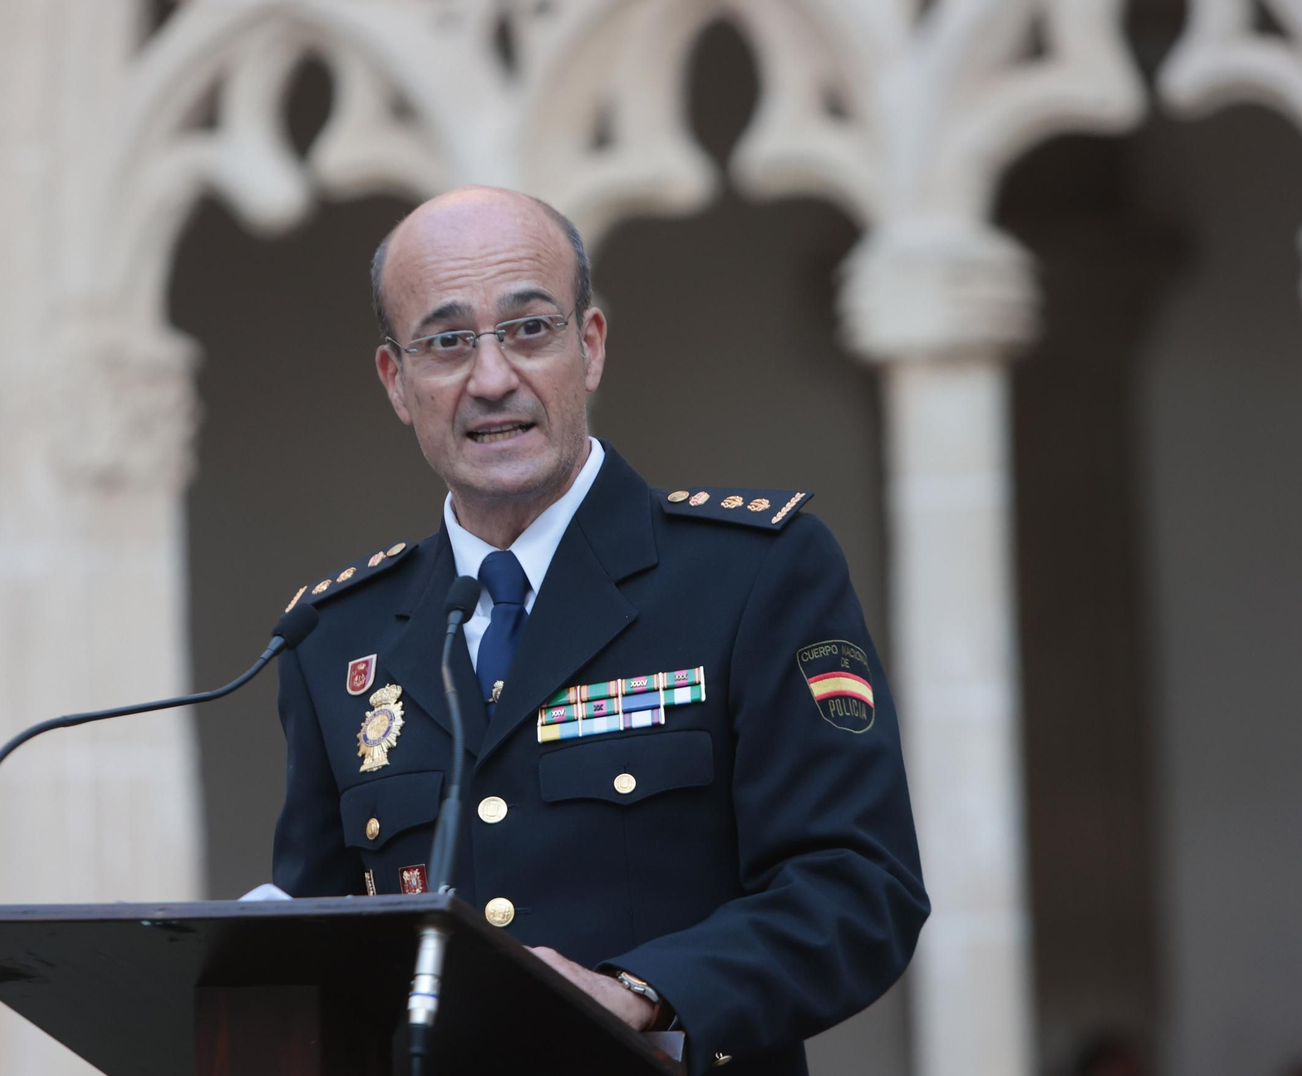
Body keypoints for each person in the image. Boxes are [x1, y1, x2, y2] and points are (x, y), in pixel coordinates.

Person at [271, 185, 928, 1075]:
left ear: (590, 346)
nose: (491, 378)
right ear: (396, 381)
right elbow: (312, 947)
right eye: (447, 342)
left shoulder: (753, 575)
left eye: (530, 329)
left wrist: (644, 991)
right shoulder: (334, 638)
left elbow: (857, 888)